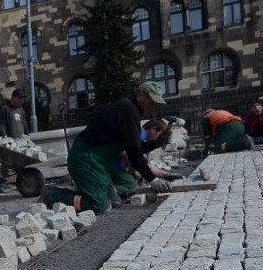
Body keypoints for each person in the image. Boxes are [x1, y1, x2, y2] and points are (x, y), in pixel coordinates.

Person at [41, 81, 172, 213]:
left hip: (97, 164)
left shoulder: (131, 109)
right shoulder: (129, 110)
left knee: (114, 200)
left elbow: (133, 147)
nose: (153, 106)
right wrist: (152, 179)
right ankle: (53, 195)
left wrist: (156, 143)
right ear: (141, 94)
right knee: (100, 206)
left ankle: (85, 191)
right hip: (86, 160)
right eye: (152, 101)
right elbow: (133, 152)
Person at [0, 88, 29, 185]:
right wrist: (4, 136)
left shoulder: (21, 110)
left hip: (21, 140)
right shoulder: (5, 109)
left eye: (22, 99)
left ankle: (22, 180)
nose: (21, 101)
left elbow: (25, 124)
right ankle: (1, 183)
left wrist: (27, 136)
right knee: (6, 162)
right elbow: (2, 124)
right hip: (11, 140)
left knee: (21, 162)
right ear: (14, 98)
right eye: (20, 98)